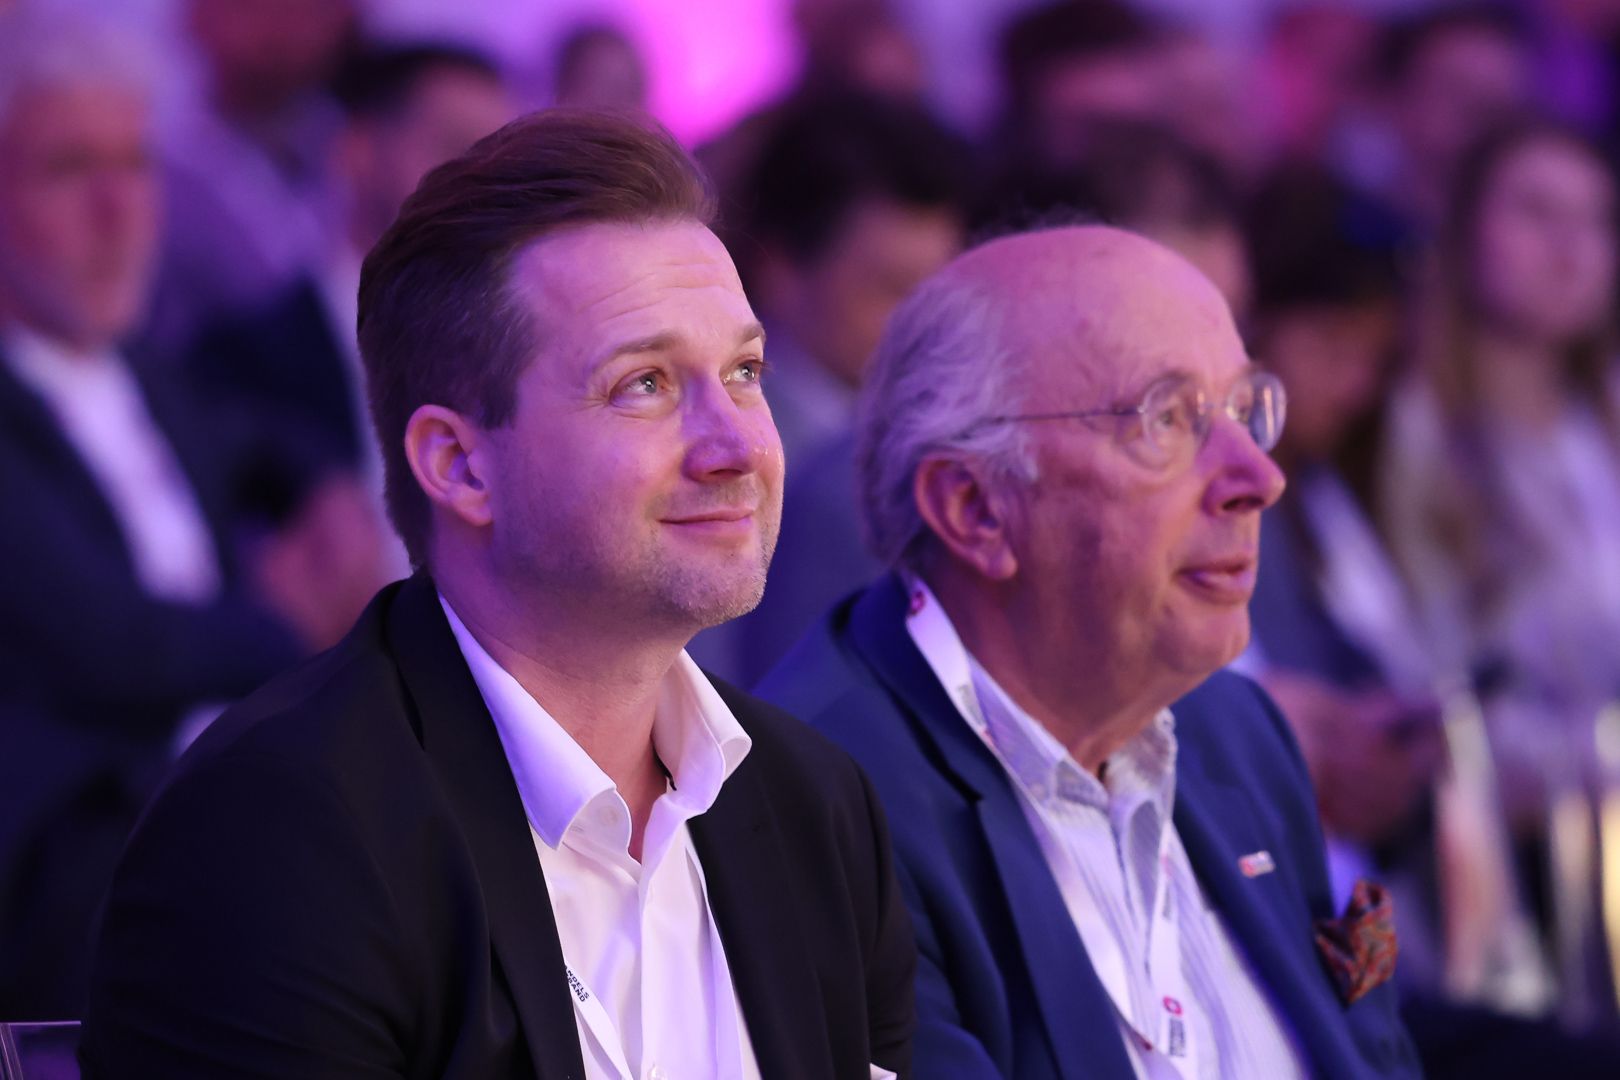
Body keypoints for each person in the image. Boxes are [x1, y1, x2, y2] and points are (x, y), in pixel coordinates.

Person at [80, 109, 916, 1079]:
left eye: (744, 371)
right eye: (644, 384)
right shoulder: (277, 832)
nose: (736, 446)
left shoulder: (818, 808)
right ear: (459, 463)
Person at [759, 224, 1420, 1077]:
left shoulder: (1239, 733)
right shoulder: (820, 812)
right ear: (974, 508)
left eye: (1244, 409)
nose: (1259, 477)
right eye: (1169, 419)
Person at [0, 7, 366, 1020]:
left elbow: (254, 439)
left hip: (231, 812)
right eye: (70, 169)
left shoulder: (145, 371)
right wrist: (298, 623)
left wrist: (327, 489)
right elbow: (109, 645)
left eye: (136, 166)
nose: (118, 209)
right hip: (79, 869)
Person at [1382, 117, 1620, 1031]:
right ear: (1466, 230)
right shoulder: (1412, 430)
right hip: (1501, 883)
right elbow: (1425, 694)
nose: (1571, 248)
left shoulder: (1602, 418)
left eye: (1596, 220)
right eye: (1536, 212)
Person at [686, 88, 965, 685]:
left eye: (941, 291)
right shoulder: (714, 449)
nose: (926, 324)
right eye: (892, 288)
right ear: (782, 271)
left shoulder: (941, 433)